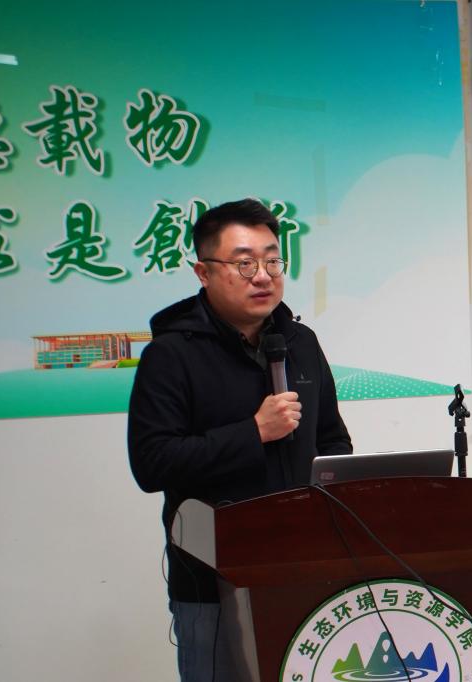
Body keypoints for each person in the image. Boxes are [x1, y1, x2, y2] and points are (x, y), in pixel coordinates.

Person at [128, 198, 352, 681]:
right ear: (203, 272)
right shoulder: (171, 355)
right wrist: (254, 432)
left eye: (273, 261)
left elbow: (333, 442)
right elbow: (152, 463)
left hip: (306, 568)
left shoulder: (300, 343)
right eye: (245, 264)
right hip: (213, 578)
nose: (263, 276)